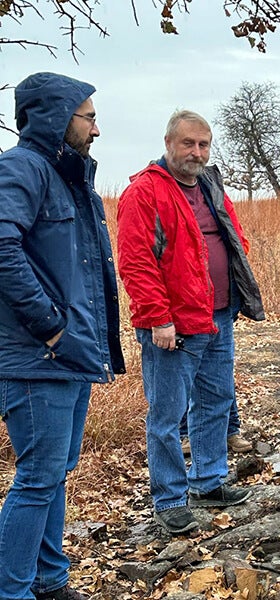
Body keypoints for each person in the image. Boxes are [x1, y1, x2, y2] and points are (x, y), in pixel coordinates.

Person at [0, 72, 124, 600]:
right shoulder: (20, 169)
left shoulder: (71, 177)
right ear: (55, 115)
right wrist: (51, 328)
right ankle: (12, 590)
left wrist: (80, 340)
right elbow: (1, 251)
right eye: (88, 116)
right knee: (37, 477)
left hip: (69, 353)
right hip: (35, 357)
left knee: (54, 474)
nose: (96, 129)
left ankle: (50, 581)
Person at [117, 110, 265, 534]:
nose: (197, 153)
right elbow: (136, 262)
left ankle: (208, 480)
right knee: (167, 414)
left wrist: (235, 288)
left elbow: (233, 238)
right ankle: (169, 499)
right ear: (168, 143)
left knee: (216, 401)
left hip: (218, 316)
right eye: (188, 144)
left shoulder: (209, 185)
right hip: (173, 326)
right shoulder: (145, 192)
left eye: (203, 145)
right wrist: (157, 318)